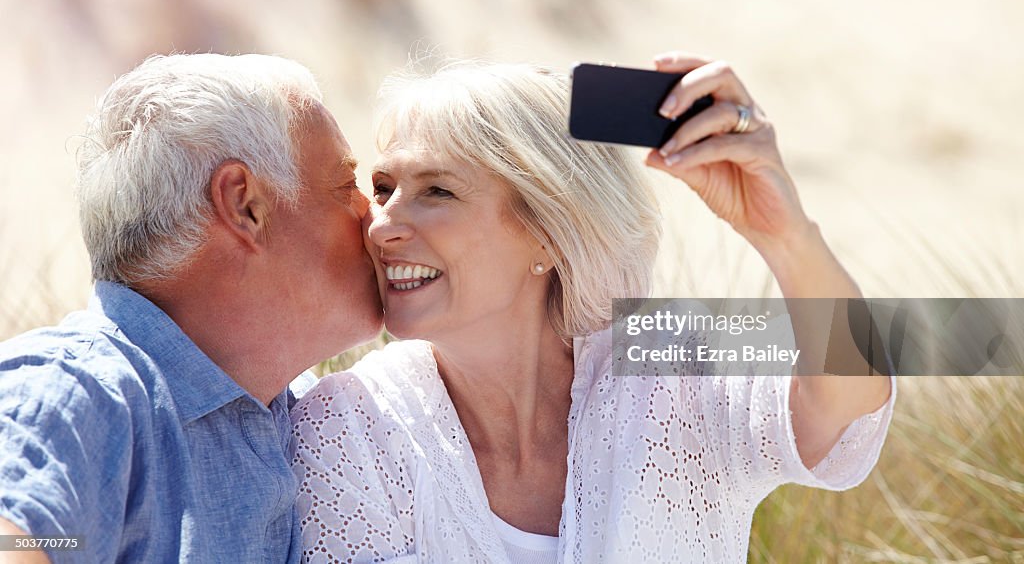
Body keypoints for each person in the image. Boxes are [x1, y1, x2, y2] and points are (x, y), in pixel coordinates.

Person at [290, 52, 896, 563]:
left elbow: (845, 401)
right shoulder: (346, 427)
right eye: (384, 189)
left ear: (548, 233)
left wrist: (780, 230)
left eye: (437, 190)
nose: (382, 227)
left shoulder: (673, 366)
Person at [0, 54, 383, 563]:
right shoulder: (76, 389)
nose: (374, 214)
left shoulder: (314, 415)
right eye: (344, 186)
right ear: (245, 205)